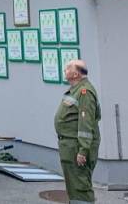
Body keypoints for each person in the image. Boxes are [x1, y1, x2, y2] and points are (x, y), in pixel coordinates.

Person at [55, 59, 101, 204]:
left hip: (77, 147)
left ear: (75, 74)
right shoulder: (76, 89)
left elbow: (86, 124)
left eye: (68, 68)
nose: (65, 70)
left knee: (80, 187)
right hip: (69, 145)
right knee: (74, 187)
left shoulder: (84, 92)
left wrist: (83, 150)